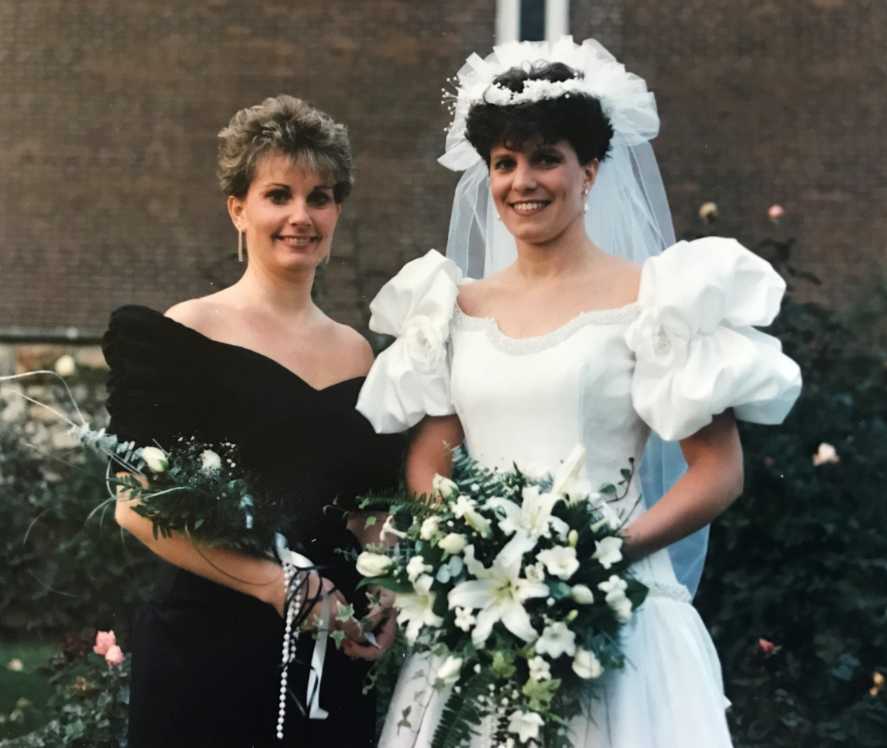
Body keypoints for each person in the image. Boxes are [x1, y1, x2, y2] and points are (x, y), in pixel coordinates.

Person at [357, 38, 802, 746]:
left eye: (545, 158)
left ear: (589, 170)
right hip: (481, 613)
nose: (521, 181)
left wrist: (605, 551)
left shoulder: (654, 300)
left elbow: (719, 471)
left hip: (618, 614)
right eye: (504, 162)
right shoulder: (450, 306)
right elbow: (429, 460)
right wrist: (469, 550)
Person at [104, 94, 403, 747]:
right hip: (205, 656)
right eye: (279, 195)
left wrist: (390, 592)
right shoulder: (182, 334)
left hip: (330, 657)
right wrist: (278, 585)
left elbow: (368, 509)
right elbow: (134, 507)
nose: (301, 216)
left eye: (320, 198)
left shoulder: (359, 352)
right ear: (237, 209)